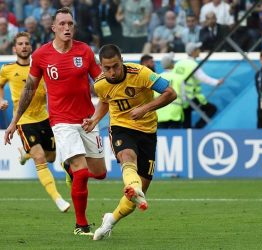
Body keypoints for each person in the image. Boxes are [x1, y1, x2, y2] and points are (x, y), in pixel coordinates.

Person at [4, 7, 107, 236]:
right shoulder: (41, 55)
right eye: (62, 24)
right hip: (61, 122)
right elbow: (29, 89)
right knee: (80, 173)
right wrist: (14, 121)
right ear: (53, 28)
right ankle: (81, 225)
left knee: (100, 173)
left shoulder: (85, 51)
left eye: (70, 24)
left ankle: (70, 166)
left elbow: (101, 83)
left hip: (88, 120)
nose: (67, 28)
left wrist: (101, 112)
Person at [81, 44, 176, 240]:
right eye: (107, 68)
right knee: (127, 156)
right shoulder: (100, 84)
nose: (112, 72)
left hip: (148, 132)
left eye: (115, 66)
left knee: (138, 193)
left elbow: (170, 93)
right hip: (121, 127)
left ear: (122, 60)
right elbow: (105, 101)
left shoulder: (141, 73)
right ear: (101, 66)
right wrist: (95, 119)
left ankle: (110, 220)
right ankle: (133, 187)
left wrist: (146, 108)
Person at [0, 31, 70, 213]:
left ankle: (26, 153)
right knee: (40, 157)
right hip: (24, 120)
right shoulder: (7, 69)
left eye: (26, 43)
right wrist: (1, 100)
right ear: (14, 48)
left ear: (31, 47)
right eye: (20, 44)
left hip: (44, 118)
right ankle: (58, 199)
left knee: (51, 157)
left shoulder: (40, 66)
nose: (24, 46)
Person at [173, 42, 223, 128]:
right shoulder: (193, 64)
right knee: (212, 109)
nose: (199, 51)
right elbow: (203, 77)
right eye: (198, 49)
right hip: (190, 97)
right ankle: (197, 129)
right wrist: (217, 82)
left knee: (186, 122)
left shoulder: (178, 63)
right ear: (193, 52)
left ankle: (189, 137)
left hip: (180, 97)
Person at [156, 52, 184, 128]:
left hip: (160, 113)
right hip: (176, 113)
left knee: (161, 138)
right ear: (172, 64)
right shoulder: (179, 77)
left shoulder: (157, 77)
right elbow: (183, 97)